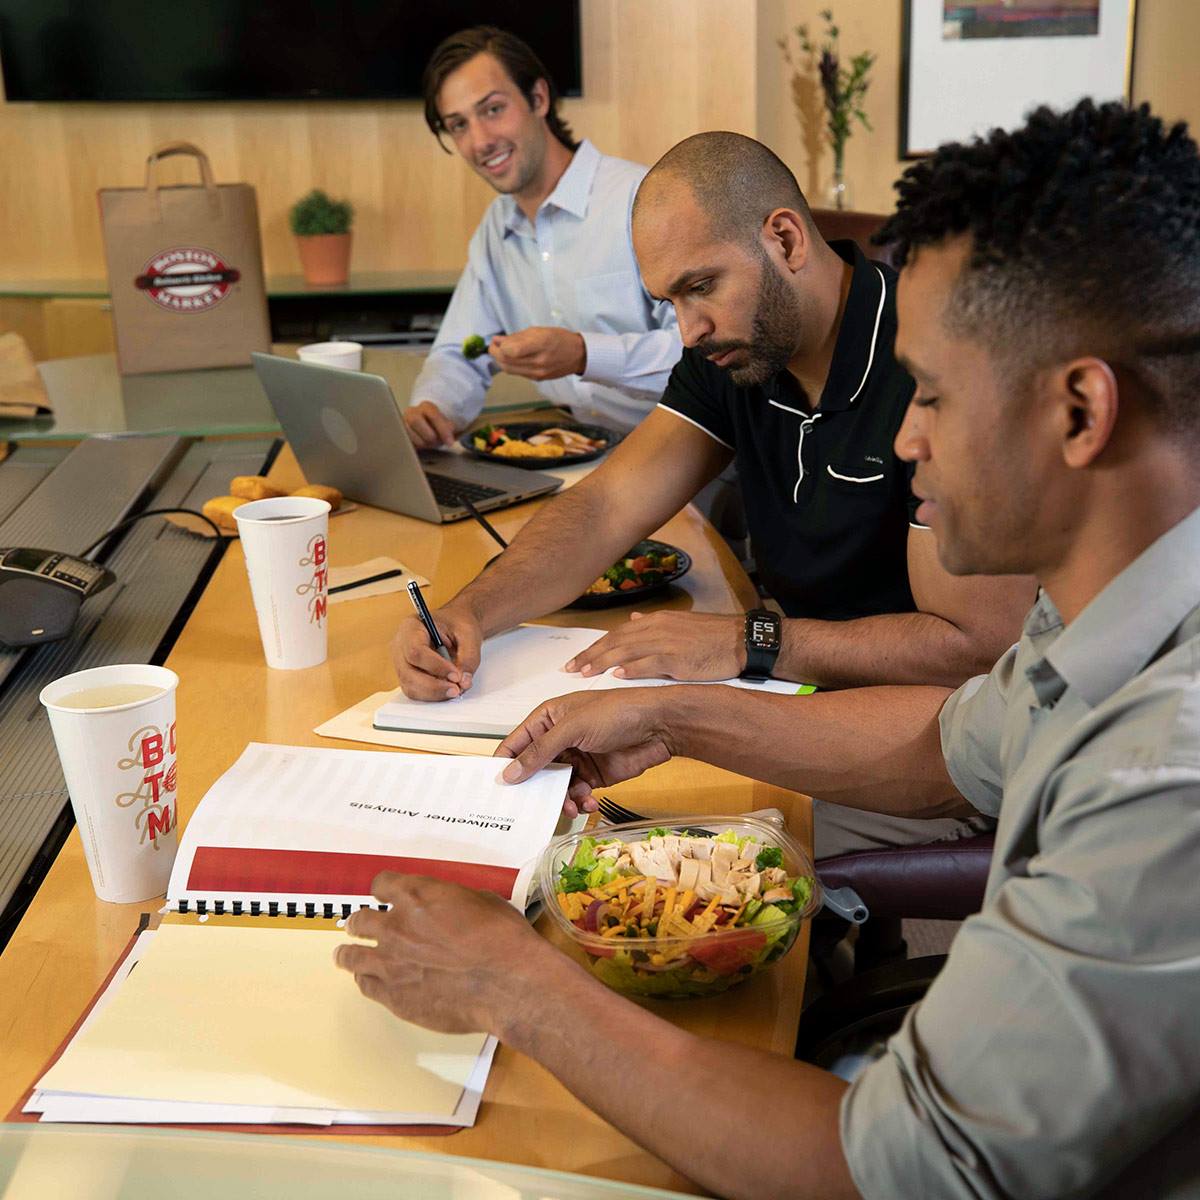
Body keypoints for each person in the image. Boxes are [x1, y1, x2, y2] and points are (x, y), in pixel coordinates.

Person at [339, 100, 1200, 1198]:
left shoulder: (1162, 772)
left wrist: (514, 985)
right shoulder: (1100, 617)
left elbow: (888, 1169)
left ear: (1081, 413)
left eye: (932, 395)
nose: (904, 438)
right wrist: (675, 714)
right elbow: (949, 749)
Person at [393, 130, 1032, 855]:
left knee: (630, 845)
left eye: (701, 287)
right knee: (577, 799)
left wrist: (749, 640)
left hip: (933, 733)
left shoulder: (931, 366)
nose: (687, 329)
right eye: (668, 300)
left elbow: (977, 649)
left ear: (786, 239)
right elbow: (606, 504)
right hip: (799, 693)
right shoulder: (733, 352)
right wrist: (471, 610)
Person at [403, 26, 681, 448]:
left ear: (538, 98)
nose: (479, 141)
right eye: (458, 125)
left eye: (493, 109)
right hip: (574, 449)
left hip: (683, 456)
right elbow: (458, 353)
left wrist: (586, 354)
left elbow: (704, 356)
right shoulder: (496, 230)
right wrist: (432, 408)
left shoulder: (641, 200)